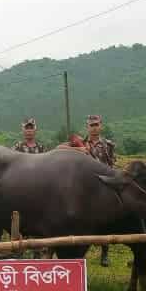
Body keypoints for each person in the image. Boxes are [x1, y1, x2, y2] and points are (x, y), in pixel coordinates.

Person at [58, 114, 116, 266]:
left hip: (104, 186)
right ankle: (82, 250)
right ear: (87, 127)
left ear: (101, 125)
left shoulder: (108, 144)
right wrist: (80, 150)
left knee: (105, 220)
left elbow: (112, 166)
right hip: (85, 187)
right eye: (91, 125)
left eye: (96, 124)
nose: (94, 127)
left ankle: (105, 252)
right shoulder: (80, 142)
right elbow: (58, 148)